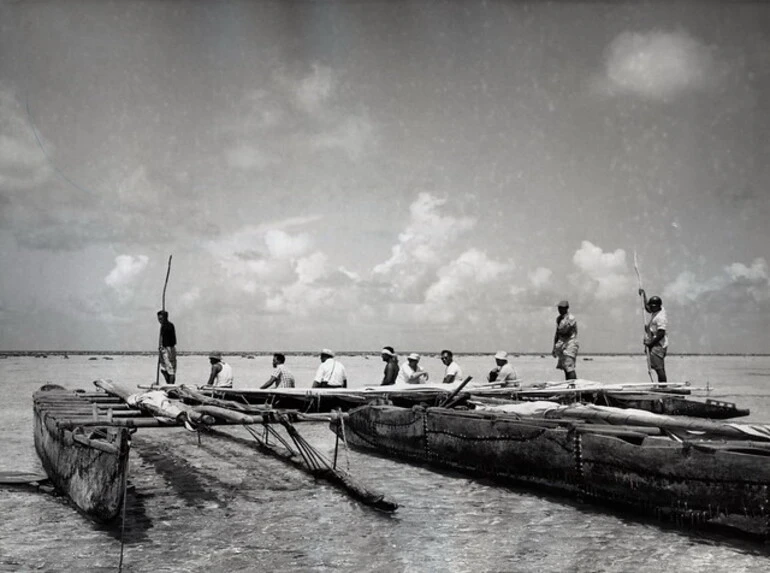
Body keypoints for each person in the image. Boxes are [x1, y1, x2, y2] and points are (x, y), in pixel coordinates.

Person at [639, 289, 668, 383]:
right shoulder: (657, 310)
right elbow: (647, 308)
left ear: (658, 306)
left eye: (653, 307)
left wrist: (650, 344)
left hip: (658, 344)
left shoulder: (661, 317)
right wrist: (643, 296)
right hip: (654, 342)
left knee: (659, 368)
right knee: (657, 367)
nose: (651, 308)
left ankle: (663, 387)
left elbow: (661, 333)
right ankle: (662, 386)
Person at [552, 300, 579, 381]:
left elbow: (564, 331)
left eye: (562, 308)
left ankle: (573, 386)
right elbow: (557, 333)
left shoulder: (571, 318)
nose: (560, 310)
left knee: (569, 366)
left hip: (570, 343)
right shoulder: (559, 319)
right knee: (564, 366)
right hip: (561, 344)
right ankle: (568, 384)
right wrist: (554, 347)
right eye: (559, 308)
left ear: (567, 308)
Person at [156, 310, 177, 385]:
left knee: (171, 370)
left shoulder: (167, 326)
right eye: (159, 319)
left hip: (168, 349)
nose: (159, 321)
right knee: (166, 368)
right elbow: (162, 338)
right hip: (164, 349)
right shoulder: (164, 326)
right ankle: (169, 383)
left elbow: (170, 341)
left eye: (161, 319)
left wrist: (164, 348)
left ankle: (170, 386)